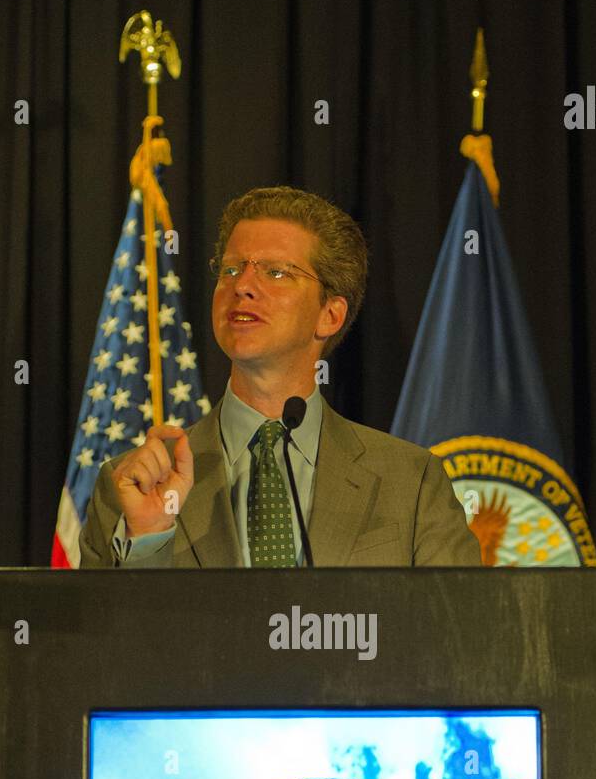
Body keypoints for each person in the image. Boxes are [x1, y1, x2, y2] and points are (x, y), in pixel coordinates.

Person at [78, 185, 480, 569]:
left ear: (330, 315)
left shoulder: (411, 483)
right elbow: (103, 637)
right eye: (232, 269)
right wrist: (148, 540)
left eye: (276, 273)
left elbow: (455, 633)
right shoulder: (132, 486)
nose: (243, 286)